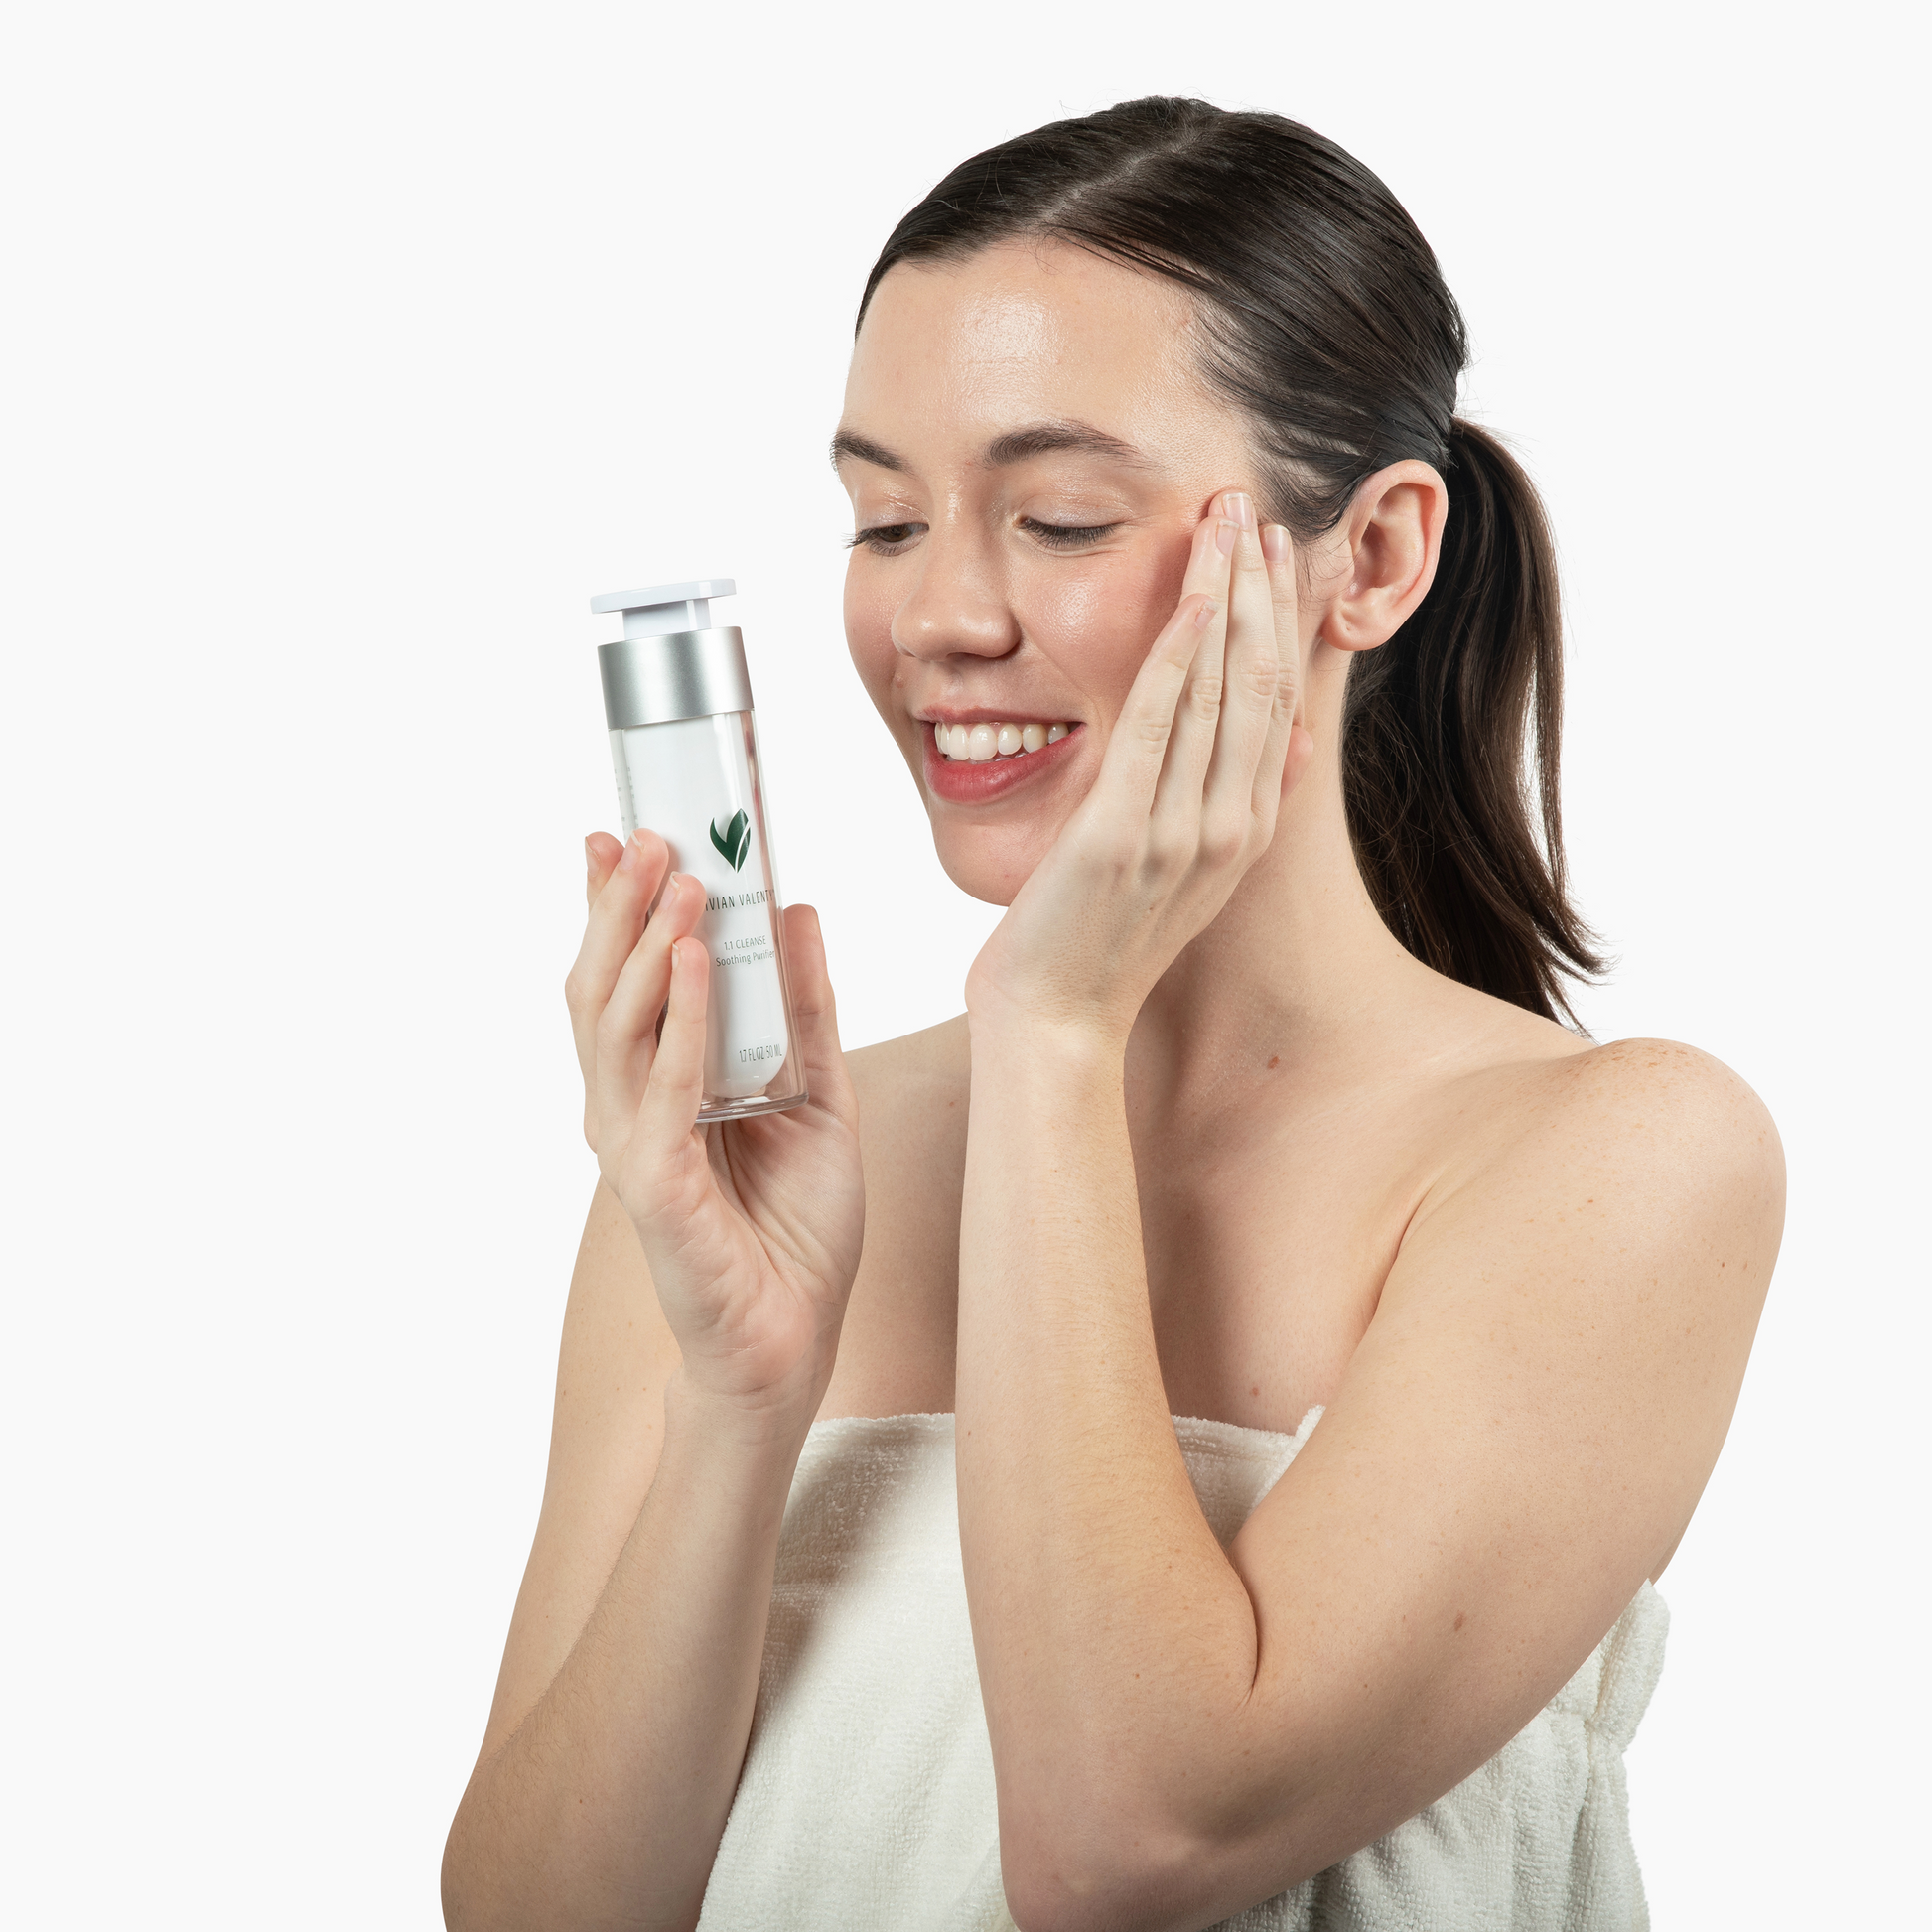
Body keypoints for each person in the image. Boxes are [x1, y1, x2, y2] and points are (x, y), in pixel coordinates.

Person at [441, 98, 1783, 1932]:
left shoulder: (1610, 1162)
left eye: (1057, 515)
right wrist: (740, 1396)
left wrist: (1054, 1035)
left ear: (1375, 559)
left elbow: (1124, 1845)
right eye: (885, 520)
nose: (940, 617)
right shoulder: (748, 1177)